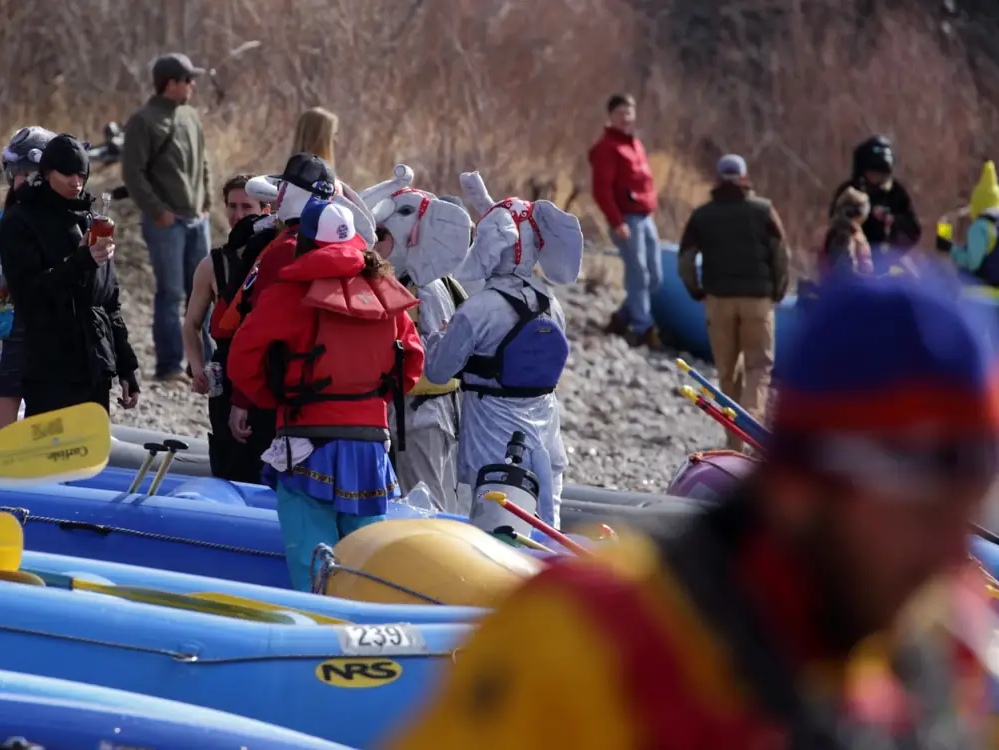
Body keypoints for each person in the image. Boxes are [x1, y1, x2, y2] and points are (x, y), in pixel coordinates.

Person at [386, 265, 997, 749]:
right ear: (799, 488)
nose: (951, 556)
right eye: (923, 518)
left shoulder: (944, 662)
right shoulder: (586, 646)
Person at [227, 197, 423, 592]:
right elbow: (412, 363)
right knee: (367, 567)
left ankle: (318, 642)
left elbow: (242, 359)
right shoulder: (386, 291)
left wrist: (273, 399)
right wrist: (370, 402)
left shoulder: (287, 294)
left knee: (312, 565)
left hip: (306, 444)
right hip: (369, 450)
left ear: (304, 241)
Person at [424, 170, 583, 534]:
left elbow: (437, 371)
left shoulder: (476, 310)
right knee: (545, 530)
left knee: (481, 534)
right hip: (547, 440)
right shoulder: (551, 305)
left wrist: (435, 335)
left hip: (490, 445)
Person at [216, 153, 377, 459]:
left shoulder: (285, 250)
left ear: (290, 193)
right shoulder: (359, 258)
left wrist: (243, 398)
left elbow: (257, 333)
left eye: (284, 188)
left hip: (285, 401)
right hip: (354, 413)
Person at [359, 165, 474, 512]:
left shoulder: (428, 288)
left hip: (423, 421)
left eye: (381, 235)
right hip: (400, 416)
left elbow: (439, 358)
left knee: (425, 505)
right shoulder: (394, 282)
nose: (374, 244)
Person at [0, 134, 139, 416]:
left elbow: (109, 302)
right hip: (49, 365)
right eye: (67, 174)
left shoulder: (91, 221)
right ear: (48, 172)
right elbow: (29, 294)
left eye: (81, 174)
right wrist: (79, 262)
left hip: (94, 364)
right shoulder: (21, 220)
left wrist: (126, 366)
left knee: (92, 456)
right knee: (53, 454)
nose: (76, 182)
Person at [678, 154, 789, 450]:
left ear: (717, 178)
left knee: (727, 370)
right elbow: (781, 255)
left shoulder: (702, 215)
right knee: (759, 366)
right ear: (743, 178)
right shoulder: (763, 210)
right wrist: (778, 291)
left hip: (718, 301)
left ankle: (733, 444)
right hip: (758, 301)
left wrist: (697, 291)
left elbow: (685, 259)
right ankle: (751, 424)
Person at [122, 52, 212, 382]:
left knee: (202, 294)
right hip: (166, 223)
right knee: (170, 293)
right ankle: (169, 365)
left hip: (196, 219)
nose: (193, 86)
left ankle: (200, 364)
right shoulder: (144, 121)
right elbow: (133, 173)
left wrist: (207, 202)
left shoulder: (190, 116)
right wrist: (158, 211)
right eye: (188, 80)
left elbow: (204, 162)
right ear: (170, 84)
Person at [182, 174, 273, 481]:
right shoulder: (213, 264)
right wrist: (197, 368)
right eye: (232, 207)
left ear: (267, 210)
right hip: (227, 369)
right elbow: (191, 323)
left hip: (267, 371)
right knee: (228, 458)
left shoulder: (277, 257)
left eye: (246, 207)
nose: (238, 215)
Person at [588, 93, 662, 348]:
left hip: (645, 216)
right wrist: (616, 221)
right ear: (611, 116)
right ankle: (644, 328)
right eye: (621, 113)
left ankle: (621, 319)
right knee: (638, 272)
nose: (626, 118)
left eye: (629, 113)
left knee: (654, 275)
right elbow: (602, 190)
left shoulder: (635, 144)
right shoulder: (607, 148)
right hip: (626, 219)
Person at [0, 126, 55, 427]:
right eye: (19, 173)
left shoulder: (60, 227)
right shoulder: (3, 222)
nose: (24, 182)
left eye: (31, 174)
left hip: (38, 337)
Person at [830, 135, 921, 271]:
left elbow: (913, 230)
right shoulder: (851, 192)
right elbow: (835, 222)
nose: (878, 179)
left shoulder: (896, 192)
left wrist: (891, 221)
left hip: (887, 256)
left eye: (882, 175)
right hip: (855, 253)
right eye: (874, 173)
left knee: (911, 274)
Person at [937, 160, 999, 286]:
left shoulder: (980, 227)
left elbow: (972, 262)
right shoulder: (995, 226)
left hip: (979, 292)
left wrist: (950, 248)